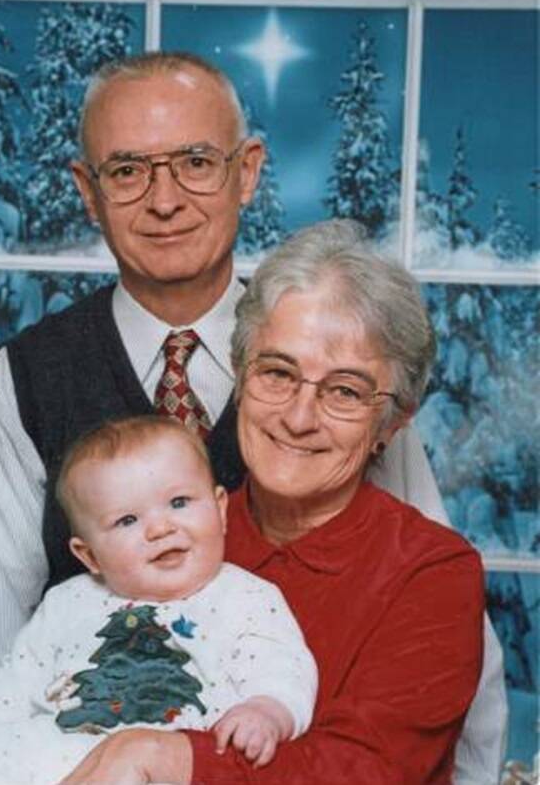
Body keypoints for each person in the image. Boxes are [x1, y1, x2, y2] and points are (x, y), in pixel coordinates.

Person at [0, 52, 506, 781]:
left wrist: (162, 756)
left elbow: (433, 640)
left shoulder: (351, 361)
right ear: (88, 191)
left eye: (196, 163)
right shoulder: (18, 386)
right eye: (127, 170)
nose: (165, 201)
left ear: (247, 172)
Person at [54, 220, 484, 785]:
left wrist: (164, 757)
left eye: (346, 391)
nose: (299, 418)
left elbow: (366, 771)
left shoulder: (431, 573)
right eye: (278, 372)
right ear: (240, 374)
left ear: (391, 422)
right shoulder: (166, 543)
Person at [0, 416, 317, 785]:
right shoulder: (66, 604)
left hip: (166, 759)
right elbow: (4, 701)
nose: (160, 528)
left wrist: (266, 711)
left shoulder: (246, 597)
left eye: (179, 502)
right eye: (127, 520)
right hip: (53, 759)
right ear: (89, 555)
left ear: (220, 509)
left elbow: (283, 671)